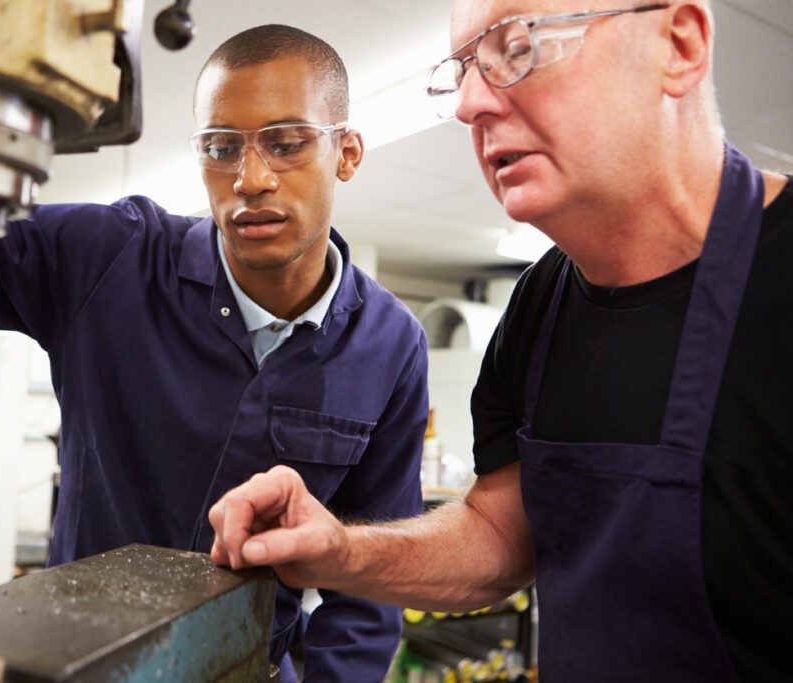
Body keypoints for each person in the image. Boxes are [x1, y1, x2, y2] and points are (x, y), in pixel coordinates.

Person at [0, 9, 430, 682]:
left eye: (286, 143)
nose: (250, 178)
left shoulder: (391, 345)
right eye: (220, 146)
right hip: (75, 662)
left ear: (346, 152)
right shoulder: (107, 260)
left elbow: (369, 582)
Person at [209, 1, 793, 680]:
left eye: (517, 47)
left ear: (680, 43)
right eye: (462, 69)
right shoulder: (541, 305)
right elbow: (499, 534)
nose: (467, 103)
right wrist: (340, 550)